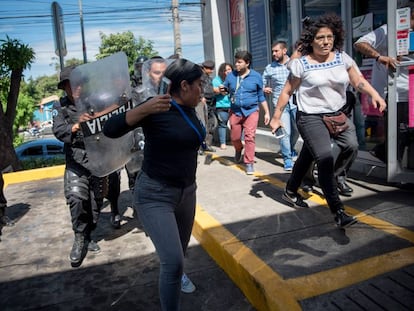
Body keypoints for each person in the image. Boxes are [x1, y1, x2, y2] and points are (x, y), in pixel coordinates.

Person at [103, 58, 203, 311]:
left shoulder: (191, 107)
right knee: (172, 262)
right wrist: (144, 109)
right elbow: (110, 129)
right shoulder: (155, 108)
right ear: (184, 85)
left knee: (180, 254)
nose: (202, 89)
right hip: (155, 195)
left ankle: (177, 278)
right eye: (199, 84)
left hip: (187, 192)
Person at [269, 14, 386, 228]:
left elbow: (357, 80)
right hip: (310, 117)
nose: (326, 42)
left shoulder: (343, 58)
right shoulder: (301, 64)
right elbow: (286, 91)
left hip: (337, 115)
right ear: (310, 41)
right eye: (320, 37)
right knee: (324, 157)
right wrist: (277, 116)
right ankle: (338, 211)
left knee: (348, 146)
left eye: (330, 37)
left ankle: (292, 189)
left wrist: (375, 95)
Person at [52, 65, 105, 267]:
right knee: (76, 199)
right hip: (76, 160)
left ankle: (90, 234)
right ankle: (79, 237)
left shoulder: (94, 102)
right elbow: (59, 131)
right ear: (65, 87)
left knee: (95, 202)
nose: (76, 88)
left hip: (98, 159)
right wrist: (76, 126)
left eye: (78, 83)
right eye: (70, 84)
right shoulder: (60, 107)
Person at [353, 5, 414, 163]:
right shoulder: (388, 30)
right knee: (398, 132)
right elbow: (360, 44)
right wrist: (380, 56)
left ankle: (386, 154)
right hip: (395, 92)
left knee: (409, 132)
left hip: (411, 89)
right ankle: (394, 167)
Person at [222, 50, 270, 175]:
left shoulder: (256, 76)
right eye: (236, 62)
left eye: (239, 62)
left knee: (250, 136)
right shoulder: (231, 76)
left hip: (252, 111)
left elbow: (261, 96)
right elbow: (225, 89)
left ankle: (249, 162)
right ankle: (238, 149)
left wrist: (267, 112)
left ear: (247, 63)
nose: (236, 64)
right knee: (235, 137)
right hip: (235, 111)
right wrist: (223, 90)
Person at [262, 40, 299, 171]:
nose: (274, 54)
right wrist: (264, 88)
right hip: (279, 104)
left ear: (284, 51)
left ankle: (291, 148)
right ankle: (287, 159)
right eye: (273, 51)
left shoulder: (294, 63)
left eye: (276, 51)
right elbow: (262, 83)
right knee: (285, 132)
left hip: (296, 102)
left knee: (297, 131)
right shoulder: (270, 68)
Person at [196, 60, 216, 152]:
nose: (211, 70)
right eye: (209, 68)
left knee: (211, 124)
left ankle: (207, 144)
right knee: (202, 124)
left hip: (211, 102)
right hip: (202, 102)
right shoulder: (199, 77)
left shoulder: (208, 78)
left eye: (212, 68)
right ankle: (200, 146)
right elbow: (197, 87)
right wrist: (201, 97)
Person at [212, 62, 233, 150]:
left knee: (235, 124)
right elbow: (219, 91)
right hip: (221, 106)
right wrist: (221, 90)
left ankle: (236, 140)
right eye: (225, 70)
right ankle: (223, 143)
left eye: (229, 69)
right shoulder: (217, 80)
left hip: (233, 105)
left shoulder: (235, 78)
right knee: (222, 124)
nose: (227, 72)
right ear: (222, 71)